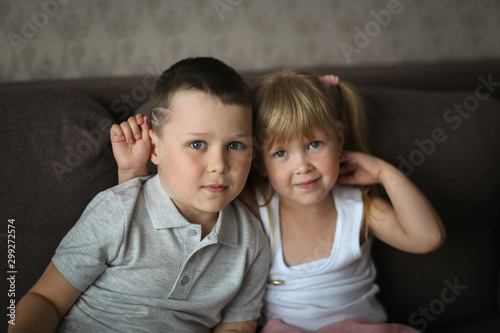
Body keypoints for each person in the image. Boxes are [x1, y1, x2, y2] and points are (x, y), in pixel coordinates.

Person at [112, 69, 446, 332]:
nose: (303, 166)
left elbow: (428, 238)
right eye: (281, 152)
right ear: (259, 162)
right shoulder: (255, 207)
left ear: (339, 139)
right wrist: (133, 170)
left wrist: (387, 174)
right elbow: (173, 207)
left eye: (314, 144)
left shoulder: (358, 207)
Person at [10, 57, 271, 333]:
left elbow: (238, 325)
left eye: (235, 144)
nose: (219, 164)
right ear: (155, 150)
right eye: (197, 144)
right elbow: (46, 299)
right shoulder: (119, 209)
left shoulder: (251, 241)